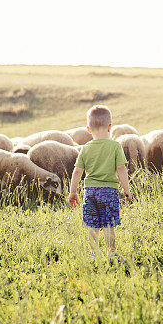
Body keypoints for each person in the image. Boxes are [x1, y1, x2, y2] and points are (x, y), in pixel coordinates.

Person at [68, 105, 132, 260]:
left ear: (88, 129)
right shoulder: (115, 146)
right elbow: (121, 169)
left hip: (90, 191)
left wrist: (73, 191)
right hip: (109, 191)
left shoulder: (85, 148)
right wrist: (126, 189)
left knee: (92, 225)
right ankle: (111, 253)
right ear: (110, 127)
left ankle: (94, 254)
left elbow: (77, 171)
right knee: (109, 224)